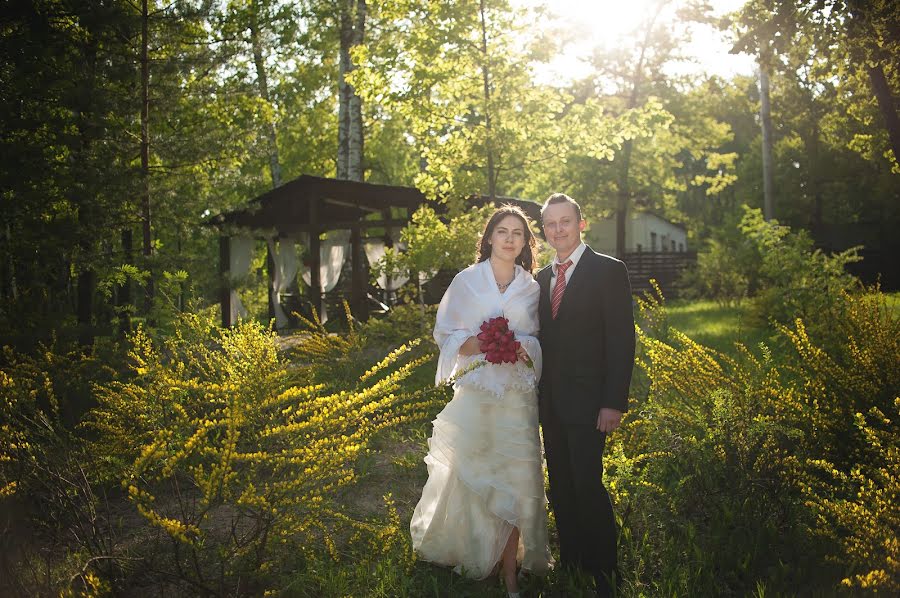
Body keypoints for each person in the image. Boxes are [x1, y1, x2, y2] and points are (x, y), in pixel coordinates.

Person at [410, 205, 552, 597]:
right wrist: (483, 342)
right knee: (474, 475)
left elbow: (538, 339)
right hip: (478, 390)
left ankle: (510, 570)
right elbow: (446, 333)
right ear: (489, 237)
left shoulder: (531, 287)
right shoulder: (467, 281)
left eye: (518, 234)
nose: (509, 239)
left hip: (517, 395)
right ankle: (477, 552)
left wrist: (522, 347)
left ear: (525, 242)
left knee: (517, 477)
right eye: (502, 231)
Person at [536, 193, 635, 597]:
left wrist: (613, 401)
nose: (557, 230)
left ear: (581, 224)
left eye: (565, 222)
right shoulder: (541, 279)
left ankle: (605, 573)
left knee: (588, 484)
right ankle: (573, 563)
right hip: (550, 404)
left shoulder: (608, 270)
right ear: (544, 230)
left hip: (592, 403)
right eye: (550, 224)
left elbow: (621, 340)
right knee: (559, 485)